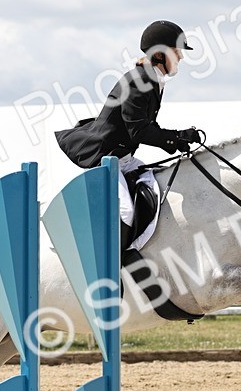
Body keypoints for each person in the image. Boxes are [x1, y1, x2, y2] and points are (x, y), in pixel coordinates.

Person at [55, 20, 202, 252]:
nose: (181, 57)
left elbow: (147, 125)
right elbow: (139, 130)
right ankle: (114, 261)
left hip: (124, 157)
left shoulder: (152, 80)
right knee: (125, 211)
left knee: (157, 187)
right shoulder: (138, 81)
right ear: (160, 54)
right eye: (176, 52)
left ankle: (138, 250)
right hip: (105, 158)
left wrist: (177, 141)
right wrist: (175, 137)